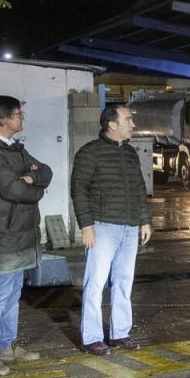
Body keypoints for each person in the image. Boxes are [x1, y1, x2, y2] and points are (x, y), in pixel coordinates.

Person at [0, 96, 52, 376]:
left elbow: (47, 172)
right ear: (4, 119)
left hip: (22, 232)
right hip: (4, 234)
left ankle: (6, 346)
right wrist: (35, 188)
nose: (22, 118)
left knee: (13, 293)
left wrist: (31, 178)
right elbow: (13, 191)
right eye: (18, 114)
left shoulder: (15, 148)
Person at [72, 104, 152, 355]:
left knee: (123, 282)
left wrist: (144, 220)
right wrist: (86, 225)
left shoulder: (129, 153)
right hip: (102, 227)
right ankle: (92, 338)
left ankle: (120, 333)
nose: (133, 125)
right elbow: (79, 190)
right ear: (112, 124)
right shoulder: (90, 153)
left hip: (129, 228)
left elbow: (139, 188)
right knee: (95, 284)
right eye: (128, 120)